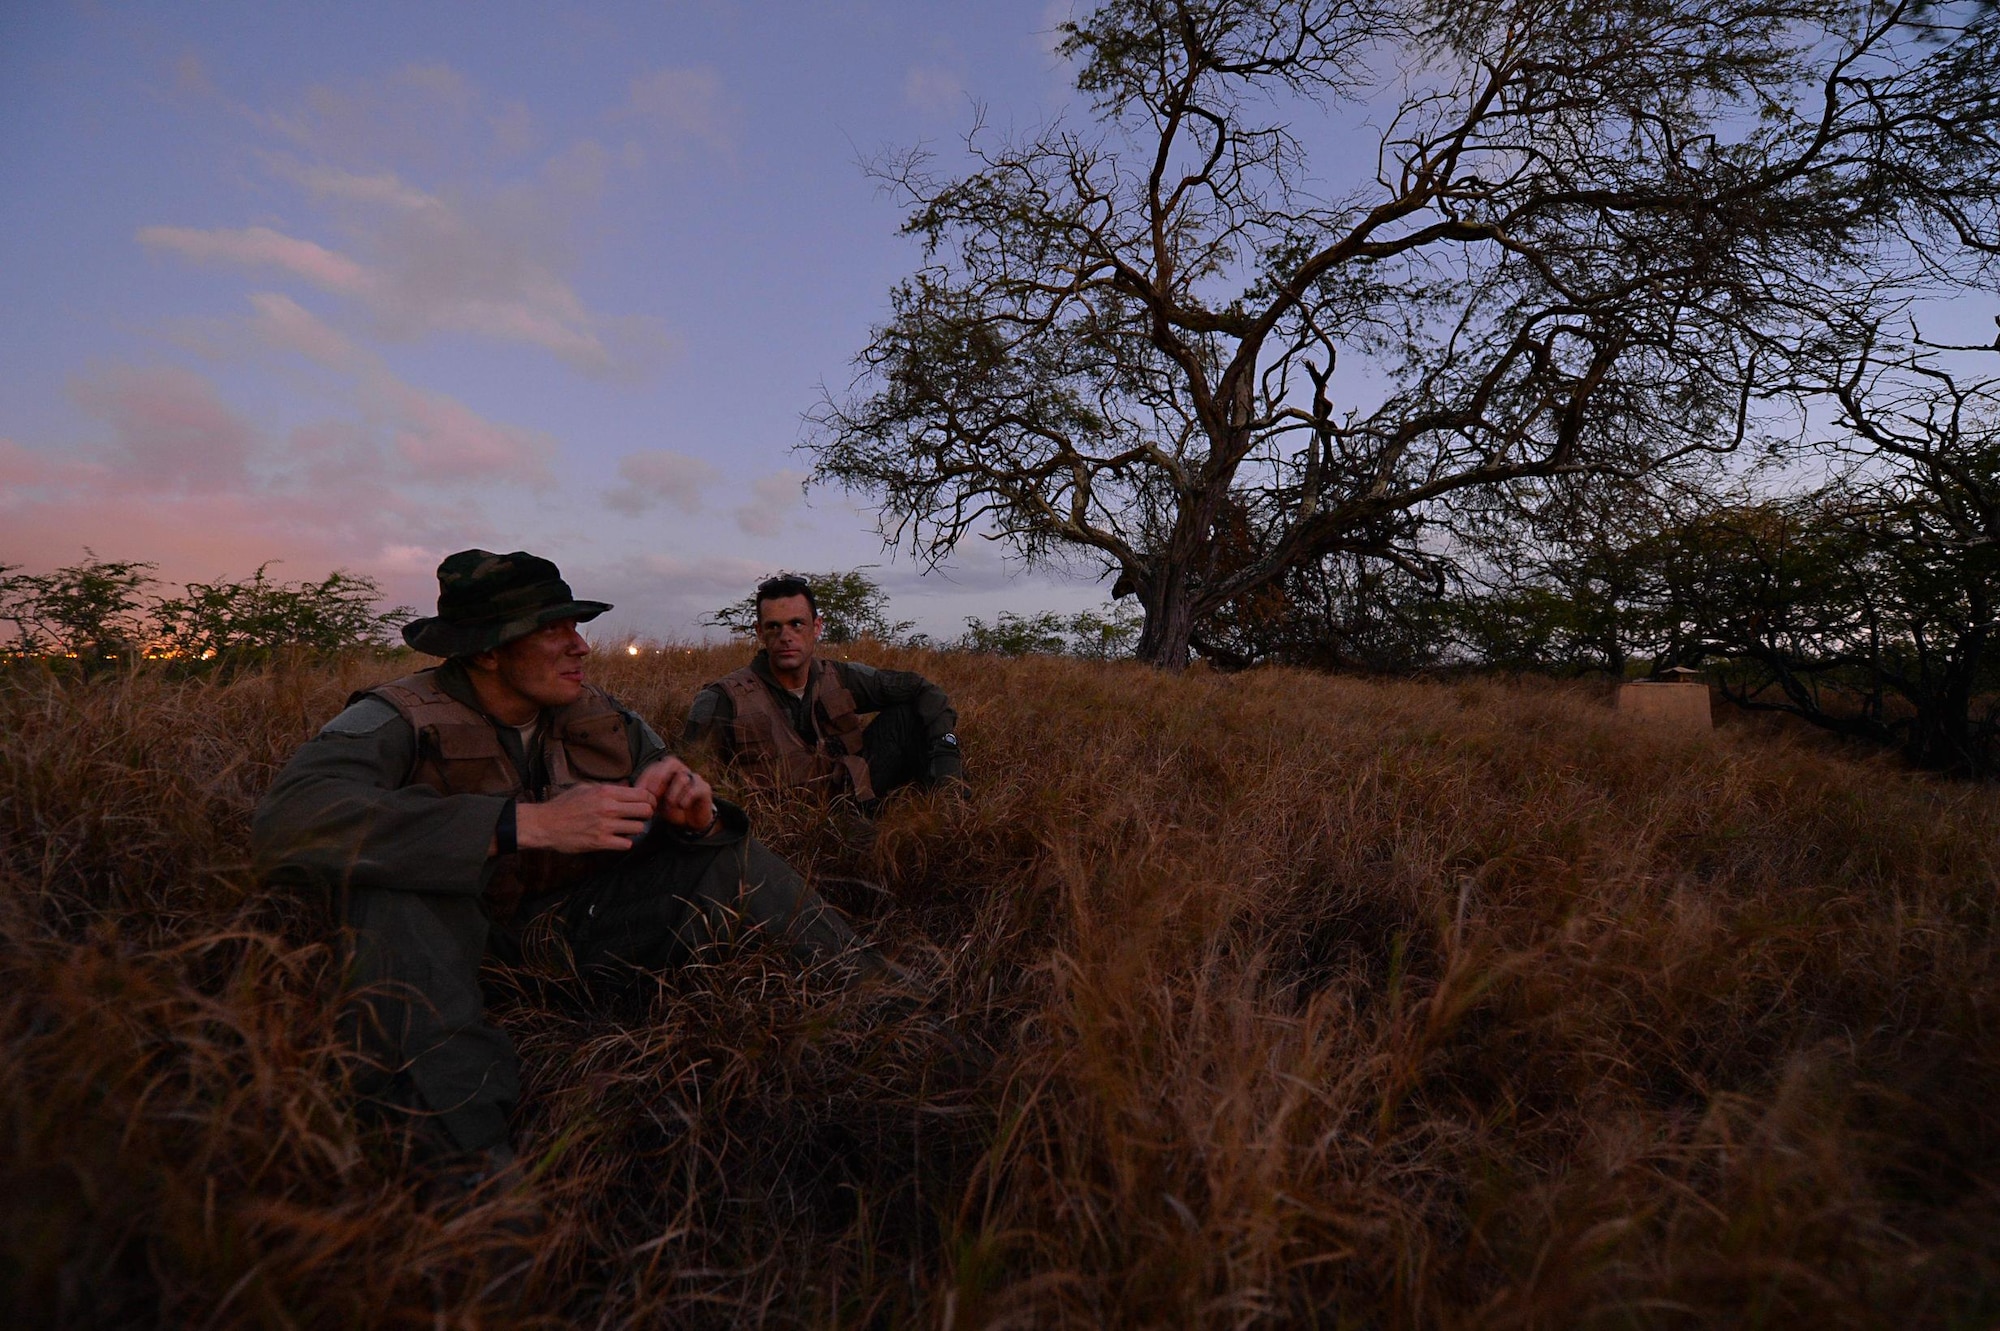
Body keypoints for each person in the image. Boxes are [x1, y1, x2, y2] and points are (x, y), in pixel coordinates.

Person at [252, 550, 884, 1188]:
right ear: (487, 650)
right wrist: (525, 824)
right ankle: (471, 1183)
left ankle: (887, 1004)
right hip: (455, 947)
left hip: (576, 928)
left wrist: (701, 814)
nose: (578, 646)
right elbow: (292, 820)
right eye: (551, 631)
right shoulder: (396, 717)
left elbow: (680, 791)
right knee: (393, 898)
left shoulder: (602, 715)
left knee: (728, 855)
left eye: (575, 626)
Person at [682, 575, 964, 807]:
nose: (786, 636)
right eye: (773, 627)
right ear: (759, 632)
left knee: (908, 715)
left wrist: (946, 757)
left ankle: (944, 811)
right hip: (786, 821)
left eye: (796, 624)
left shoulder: (838, 675)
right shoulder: (723, 698)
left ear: (816, 627)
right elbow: (691, 779)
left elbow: (924, 689)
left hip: (853, 793)